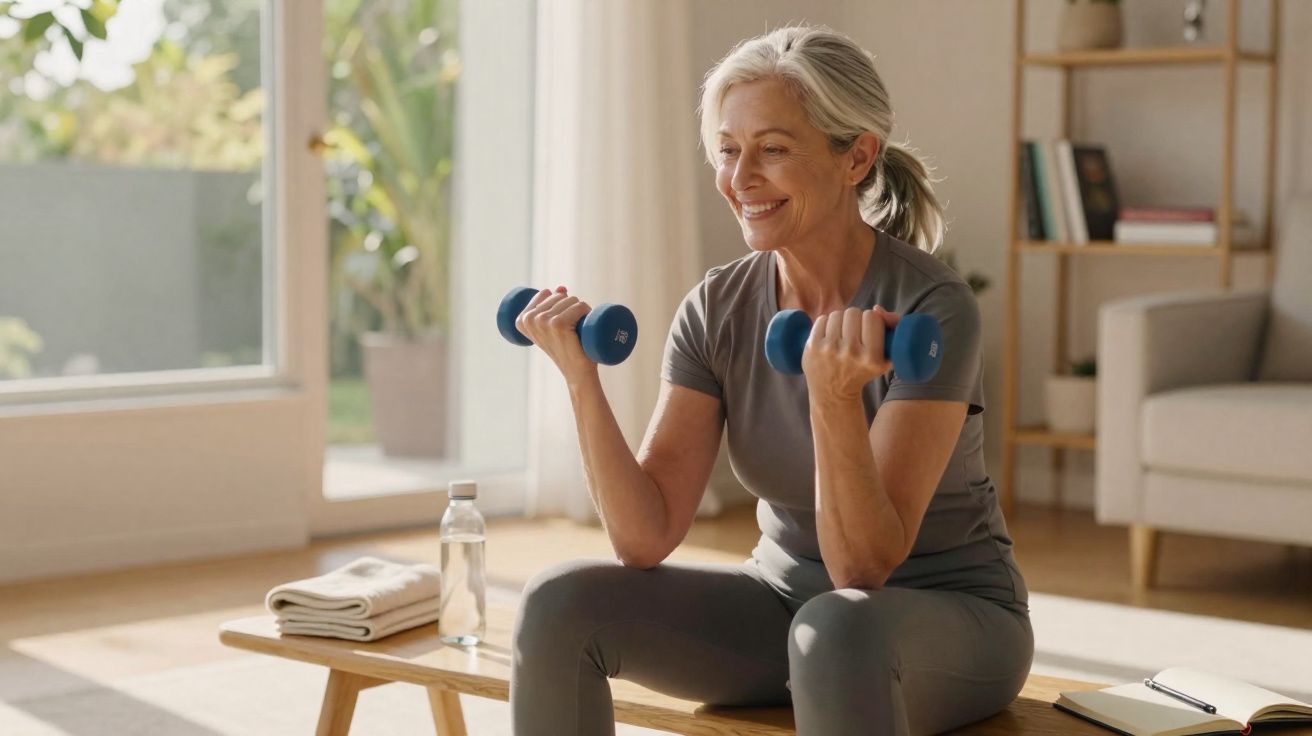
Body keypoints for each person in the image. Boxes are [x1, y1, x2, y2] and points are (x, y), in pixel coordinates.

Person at [508, 24, 1031, 736]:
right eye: (728, 151)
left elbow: (862, 568)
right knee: (557, 606)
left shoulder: (931, 307)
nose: (740, 177)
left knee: (839, 630)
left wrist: (834, 396)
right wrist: (580, 380)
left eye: (773, 150)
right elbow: (644, 535)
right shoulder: (717, 308)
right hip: (782, 608)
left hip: (946, 617)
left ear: (857, 157)